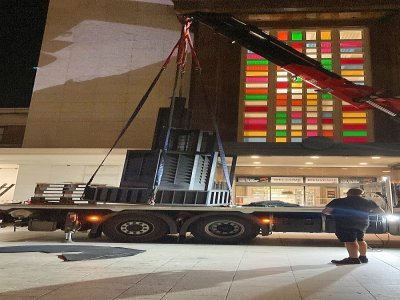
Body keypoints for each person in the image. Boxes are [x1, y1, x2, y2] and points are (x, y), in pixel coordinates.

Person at [322, 188, 385, 265]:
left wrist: (336, 214)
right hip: (362, 222)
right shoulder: (368, 202)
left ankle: (353, 258)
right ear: (361, 194)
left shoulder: (338, 201)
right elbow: (381, 212)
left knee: (350, 241)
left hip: (345, 222)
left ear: (348, 193)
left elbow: (326, 211)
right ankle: (363, 257)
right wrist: (367, 214)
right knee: (360, 239)